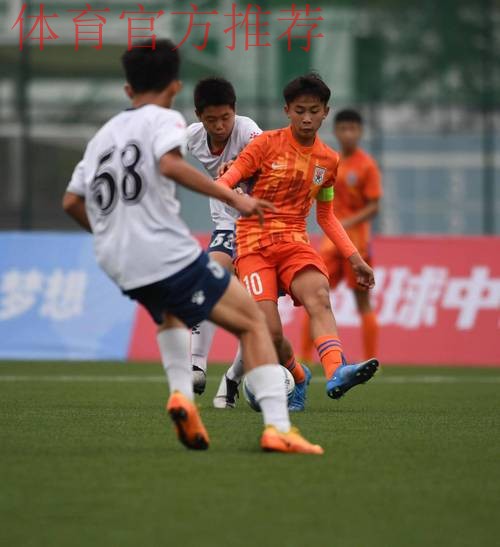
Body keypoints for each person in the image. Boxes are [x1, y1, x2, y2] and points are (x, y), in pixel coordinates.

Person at [61, 39, 323, 455]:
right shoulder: (165, 118)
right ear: (175, 87)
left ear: (128, 89)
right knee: (254, 322)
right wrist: (233, 197)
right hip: (162, 249)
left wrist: (109, 235)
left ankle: (183, 395)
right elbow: (169, 164)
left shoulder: (103, 136)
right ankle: (278, 427)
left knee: (170, 316)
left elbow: (71, 201)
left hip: (116, 257)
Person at [217, 73, 379, 402]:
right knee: (270, 334)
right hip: (253, 244)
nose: (307, 118)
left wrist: (355, 258)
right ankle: (299, 375)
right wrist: (240, 199)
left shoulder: (328, 161)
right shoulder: (264, 145)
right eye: (300, 110)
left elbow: (326, 216)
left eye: (314, 111)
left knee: (319, 295)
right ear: (287, 111)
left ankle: (336, 370)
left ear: (325, 112)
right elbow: (224, 183)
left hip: (294, 242)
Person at [186, 77, 261, 407]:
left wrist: (242, 172)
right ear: (198, 116)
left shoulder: (248, 131)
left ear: (235, 111)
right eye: (211, 119)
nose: (219, 126)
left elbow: (269, 164)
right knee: (208, 282)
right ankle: (196, 366)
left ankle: (232, 379)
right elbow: (162, 157)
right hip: (227, 225)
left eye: (225, 118)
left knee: (260, 315)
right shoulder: (191, 137)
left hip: (260, 228)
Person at [300, 109, 383, 363]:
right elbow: (314, 189)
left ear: (360, 132)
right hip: (330, 243)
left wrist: (346, 222)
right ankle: (305, 357)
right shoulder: (329, 161)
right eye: (344, 129)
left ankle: (371, 359)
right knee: (314, 295)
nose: (348, 134)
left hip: (357, 243)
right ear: (336, 131)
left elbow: (374, 206)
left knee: (362, 301)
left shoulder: (367, 165)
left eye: (353, 129)